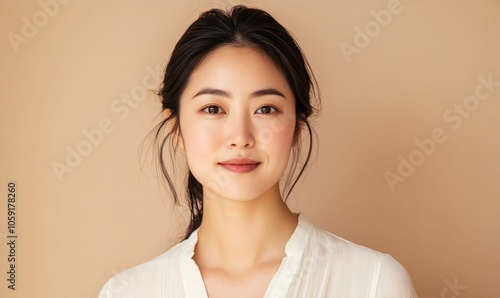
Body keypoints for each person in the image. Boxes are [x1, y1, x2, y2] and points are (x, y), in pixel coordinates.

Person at [99, 5, 418, 297]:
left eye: (266, 109)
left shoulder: (373, 282)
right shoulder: (127, 291)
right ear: (176, 128)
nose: (240, 137)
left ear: (297, 128)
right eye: (213, 109)